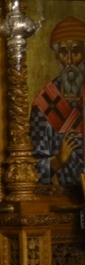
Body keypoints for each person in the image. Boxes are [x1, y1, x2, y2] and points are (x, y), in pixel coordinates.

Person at [30, 16, 85, 185]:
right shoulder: (44, 102)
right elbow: (31, 170)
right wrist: (59, 159)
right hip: (59, 194)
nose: (69, 61)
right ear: (56, 56)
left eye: (75, 52)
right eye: (63, 53)